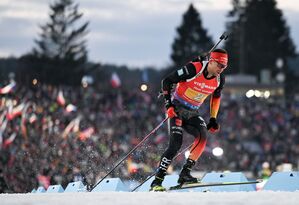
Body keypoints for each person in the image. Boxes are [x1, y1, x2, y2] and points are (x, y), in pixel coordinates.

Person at [150, 48, 228, 191]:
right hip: (177, 108)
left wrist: (213, 118)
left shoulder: (219, 79)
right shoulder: (194, 69)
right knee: (175, 145)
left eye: (224, 67)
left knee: (202, 135)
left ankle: (185, 174)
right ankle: (157, 182)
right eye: (219, 65)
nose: (221, 69)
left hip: (192, 112)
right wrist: (169, 105)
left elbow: (216, 97)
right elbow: (167, 81)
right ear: (211, 61)